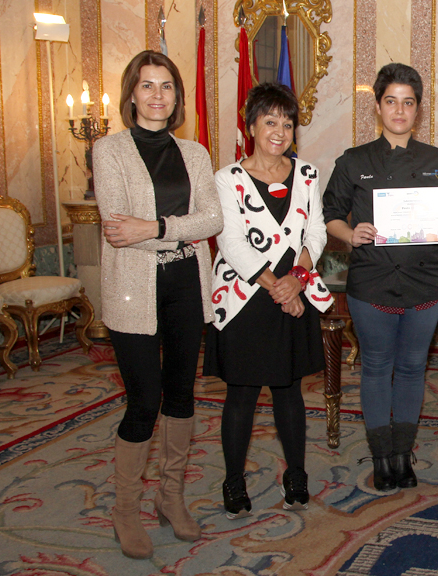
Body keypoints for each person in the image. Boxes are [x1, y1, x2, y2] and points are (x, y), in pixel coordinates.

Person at [93, 50, 222, 558]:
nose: (157, 96)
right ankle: (125, 509)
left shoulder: (194, 153)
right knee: (144, 401)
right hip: (133, 288)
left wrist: (156, 228)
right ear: (131, 94)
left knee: (182, 395)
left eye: (166, 86)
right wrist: (170, 232)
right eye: (147, 86)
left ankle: (171, 496)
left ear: (177, 96)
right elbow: (116, 227)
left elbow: (211, 220)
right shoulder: (108, 151)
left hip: (188, 285)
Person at [323, 63, 438, 491]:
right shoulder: (354, 160)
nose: (399, 110)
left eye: (408, 102)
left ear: (418, 110)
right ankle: (381, 457)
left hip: (425, 282)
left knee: (410, 370)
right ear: (379, 107)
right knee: (375, 368)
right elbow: (329, 214)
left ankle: (403, 456)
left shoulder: (437, 161)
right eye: (391, 101)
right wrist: (351, 233)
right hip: (371, 283)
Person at [205, 83, 333, 519]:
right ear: (252, 125)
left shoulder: (308, 175)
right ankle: (233, 480)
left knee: (289, 391)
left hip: (292, 292)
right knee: (241, 394)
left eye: (287, 122)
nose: (280, 131)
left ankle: (296, 474)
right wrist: (276, 285)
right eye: (270, 121)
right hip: (245, 298)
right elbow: (231, 241)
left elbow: (314, 234)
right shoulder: (228, 179)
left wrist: (296, 280)